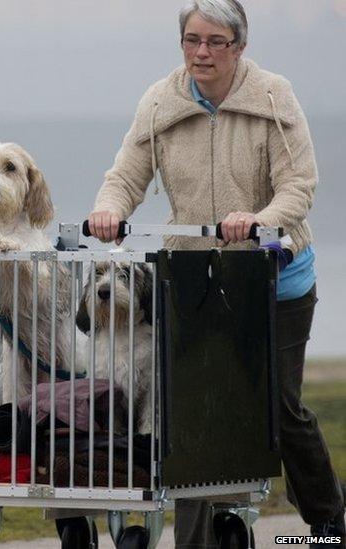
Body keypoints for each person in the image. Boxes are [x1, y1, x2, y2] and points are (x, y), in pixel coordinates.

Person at [88, 0, 345, 547]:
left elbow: (299, 186)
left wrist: (259, 221)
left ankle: (327, 518)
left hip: (275, 276)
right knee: (191, 410)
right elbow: (125, 175)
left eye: (215, 42)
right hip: (196, 278)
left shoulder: (275, 96)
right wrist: (110, 209)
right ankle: (197, 540)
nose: (201, 52)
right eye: (191, 40)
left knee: (275, 402)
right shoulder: (161, 101)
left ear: (240, 46)